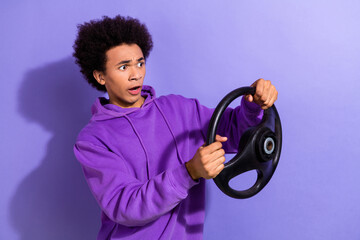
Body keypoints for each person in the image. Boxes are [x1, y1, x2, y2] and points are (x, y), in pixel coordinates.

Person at [73, 15, 278, 240]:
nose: (136, 75)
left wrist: (252, 106)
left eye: (140, 63)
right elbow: (125, 206)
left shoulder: (179, 107)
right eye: (123, 67)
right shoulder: (92, 140)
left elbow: (234, 134)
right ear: (100, 76)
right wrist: (189, 172)